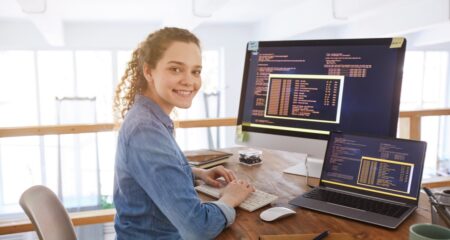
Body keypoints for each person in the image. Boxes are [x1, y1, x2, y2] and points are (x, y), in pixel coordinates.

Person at [112, 27, 254, 239]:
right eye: (176, 69)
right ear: (149, 71)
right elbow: (199, 228)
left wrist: (195, 174)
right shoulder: (146, 130)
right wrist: (229, 199)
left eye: (195, 71)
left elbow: (154, 175)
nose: (190, 81)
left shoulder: (149, 117)